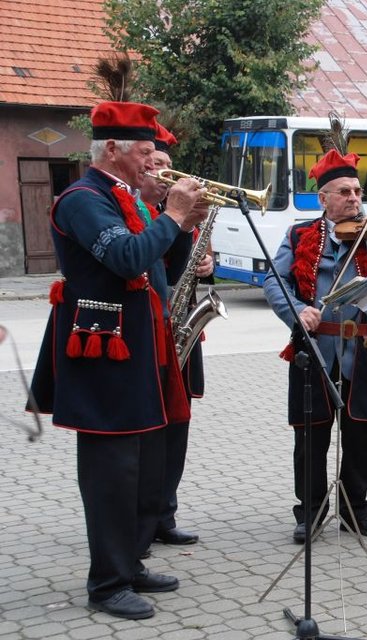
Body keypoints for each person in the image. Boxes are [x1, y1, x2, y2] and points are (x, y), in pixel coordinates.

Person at [27, 101, 208, 620]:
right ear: (113, 149)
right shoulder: (83, 199)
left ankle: (129, 563)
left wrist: (183, 224)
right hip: (101, 346)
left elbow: (158, 263)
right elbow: (125, 258)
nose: (155, 164)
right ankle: (106, 584)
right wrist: (170, 212)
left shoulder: (126, 198)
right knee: (111, 469)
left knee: (144, 461)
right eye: (146, 153)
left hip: (138, 343)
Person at [264, 148, 367, 543]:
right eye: (344, 192)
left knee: (359, 436)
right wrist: (297, 310)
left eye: (357, 191)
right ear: (323, 199)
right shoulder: (299, 235)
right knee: (310, 437)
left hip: (363, 351)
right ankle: (310, 514)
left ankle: (357, 511)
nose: (354, 198)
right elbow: (274, 281)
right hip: (314, 350)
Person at [139, 124, 213, 548]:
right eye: (156, 165)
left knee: (178, 425)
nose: (165, 172)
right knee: (152, 429)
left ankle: (164, 513)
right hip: (151, 332)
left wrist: (206, 262)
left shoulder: (177, 220)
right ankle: (144, 520)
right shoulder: (145, 216)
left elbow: (191, 267)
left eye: (168, 165)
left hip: (180, 328)